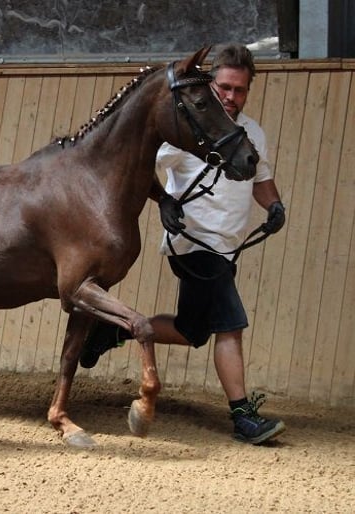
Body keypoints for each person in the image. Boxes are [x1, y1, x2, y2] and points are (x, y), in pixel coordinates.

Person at [80, 44, 287, 445]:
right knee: (231, 325)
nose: (231, 96)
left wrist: (274, 205)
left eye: (239, 90)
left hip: (226, 247)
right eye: (224, 87)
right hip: (194, 244)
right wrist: (164, 201)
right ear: (211, 84)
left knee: (192, 330)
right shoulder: (187, 129)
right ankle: (243, 416)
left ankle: (114, 331)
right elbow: (140, 167)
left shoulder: (252, 132)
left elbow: (260, 178)